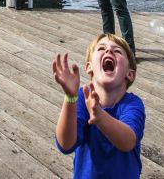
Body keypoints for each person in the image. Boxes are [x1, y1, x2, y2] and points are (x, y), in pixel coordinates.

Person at [52, 34, 145, 179]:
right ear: (89, 67)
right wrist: (70, 98)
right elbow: (65, 144)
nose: (108, 51)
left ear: (130, 74)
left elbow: (128, 142)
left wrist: (99, 116)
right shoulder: (82, 97)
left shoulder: (132, 104)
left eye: (117, 51)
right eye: (101, 48)